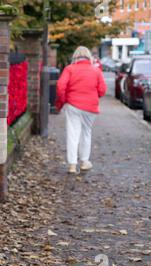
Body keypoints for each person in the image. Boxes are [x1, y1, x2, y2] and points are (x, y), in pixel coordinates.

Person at [55, 46, 107, 174]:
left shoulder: (69, 69)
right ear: (89, 56)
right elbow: (102, 90)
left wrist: (64, 99)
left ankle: (72, 165)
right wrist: (94, 96)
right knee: (86, 133)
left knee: (73, 134)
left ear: (75, 57)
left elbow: (60, 86)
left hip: (73, 105)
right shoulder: (96, 71)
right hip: (90, 107)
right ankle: (84, 162)